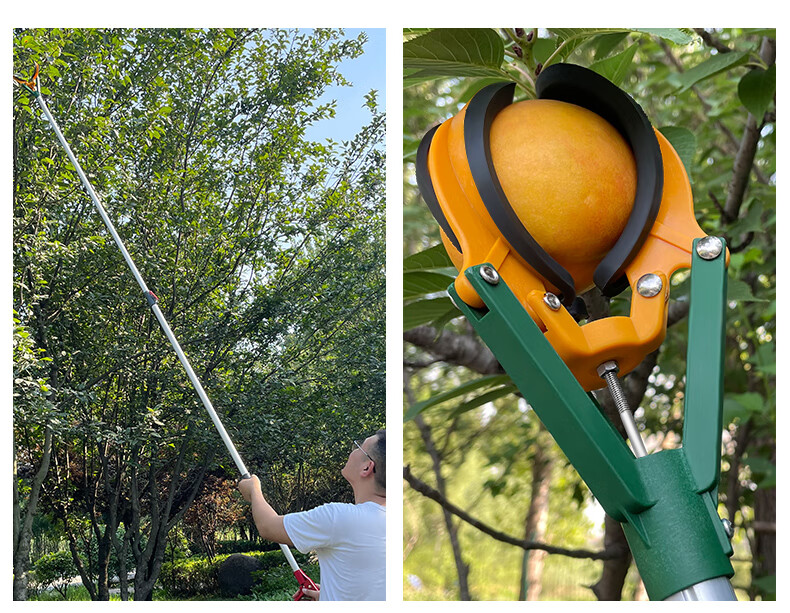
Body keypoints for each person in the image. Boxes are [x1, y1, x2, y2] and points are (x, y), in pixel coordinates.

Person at [237, 430, 386, 601]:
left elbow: (268, 526)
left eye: (358, 447)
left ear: (367, 467)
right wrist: (330, 594)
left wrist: (254, 491)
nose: (352, 450)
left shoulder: (340, 517)